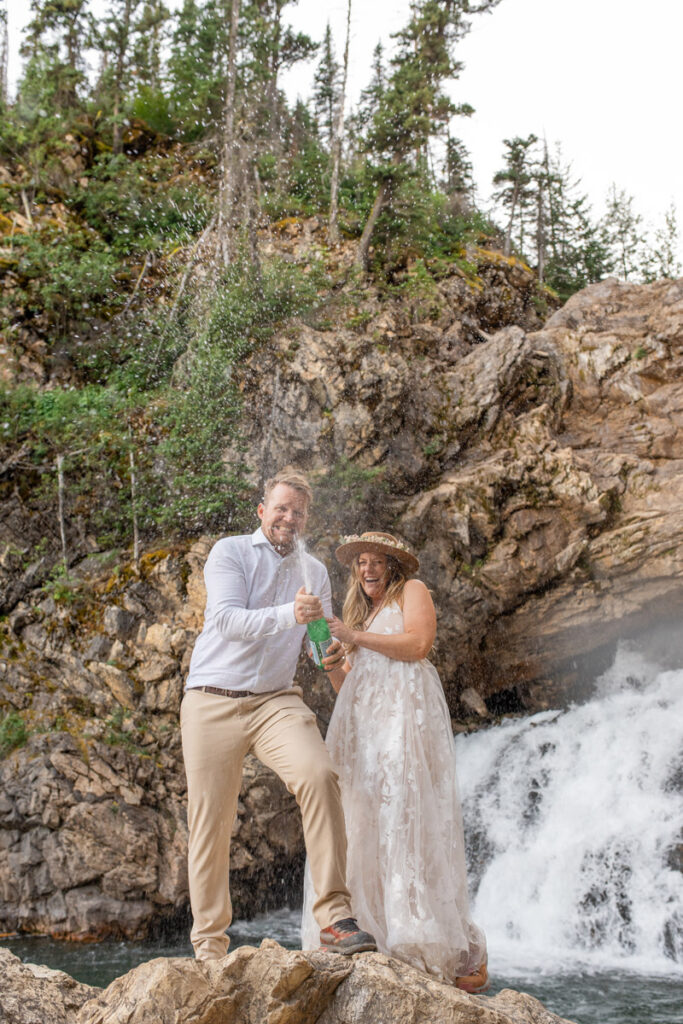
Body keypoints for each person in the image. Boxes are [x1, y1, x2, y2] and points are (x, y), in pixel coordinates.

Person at [180, 470, 376, 960]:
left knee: (319, 773)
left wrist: (327, 654)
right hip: (211, 698)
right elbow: (224, 620)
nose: (289, 518)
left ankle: (333, 916)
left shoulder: (314, 571)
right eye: (281, 508)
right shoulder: (231, 552)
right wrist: (290, 613)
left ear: (306, 519)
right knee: (210, 819)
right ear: (262, 510)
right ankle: (208, 946)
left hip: (275, 700)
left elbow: (317, 645)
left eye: (299, 511)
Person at [301, 531, 488, 992]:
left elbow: (419, 645)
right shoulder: (356, 617)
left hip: (406, 721)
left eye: (375, 561)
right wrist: (330, 659)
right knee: (363, 821)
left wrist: (353, 636)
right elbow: (349, 687)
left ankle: (420, 936)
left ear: (393, 566)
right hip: (366, 730)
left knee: (406, 815)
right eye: (361, 562)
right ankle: (368, 931)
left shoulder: (412, 592)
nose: (367, 569)